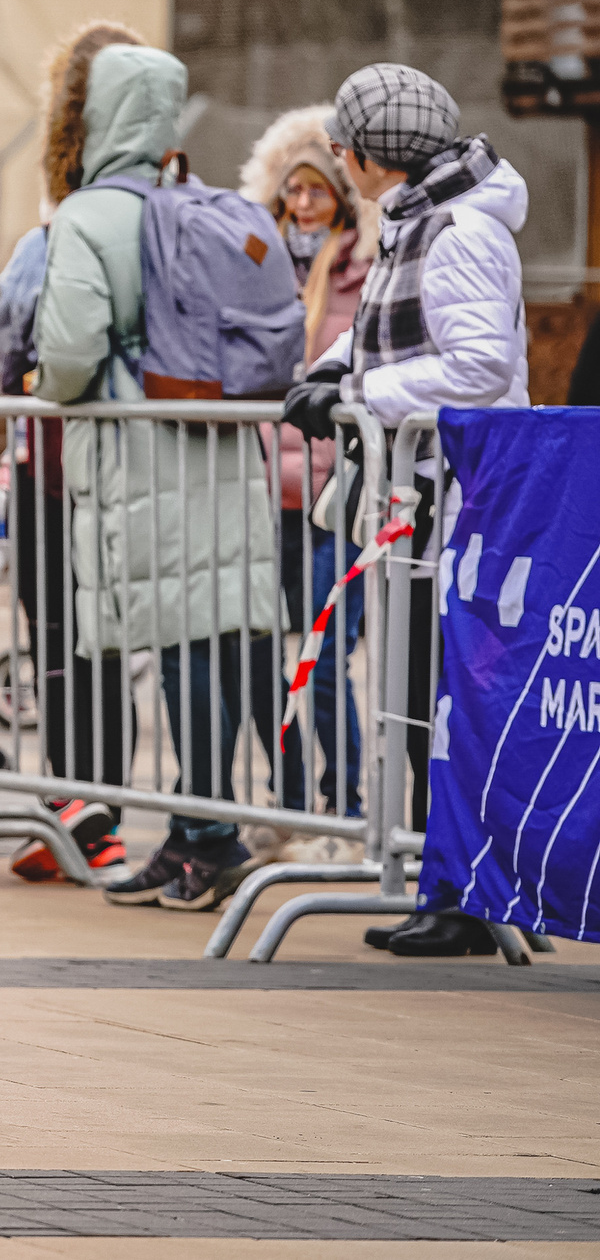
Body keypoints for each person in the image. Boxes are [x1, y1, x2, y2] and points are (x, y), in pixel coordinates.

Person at [282, 63, 529, 958]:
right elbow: (397, 323)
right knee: (423, 690)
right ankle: (444, 878)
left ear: (362, 154)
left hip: (465, 492)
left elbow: (476, 365)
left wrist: (355, 387)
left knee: (447, 696)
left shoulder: (457, 226)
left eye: (341, 148)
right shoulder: (420, 217)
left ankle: (459, 888)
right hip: (426, 491)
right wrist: (333, 368)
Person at [34, 45, 280, 912]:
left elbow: (67, 352)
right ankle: (194, 831)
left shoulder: (88, 216)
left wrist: (43, 390)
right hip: (215, 449)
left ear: (93, 113)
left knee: (181, 651)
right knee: (205, 644)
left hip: (142, 456)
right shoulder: (201, 203)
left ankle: (208, 838)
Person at [0, 21, 145, 885]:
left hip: (60, 460)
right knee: (97, 640)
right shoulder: (163, 212)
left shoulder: (64, 228)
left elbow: (20, 335)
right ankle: (88, 808)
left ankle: (86, 811)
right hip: (121, 461)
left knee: (62, 636)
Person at [240, 103, 376, 827]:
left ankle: (344, 797)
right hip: (269, 489)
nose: (301, 204)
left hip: (334, 492)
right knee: (268, 653)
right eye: (292, 191)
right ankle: (289, 795)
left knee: (323, 658)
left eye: (315, 191)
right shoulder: (258, 264)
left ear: (339, 195)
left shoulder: (362, 272)